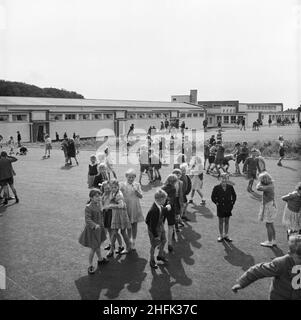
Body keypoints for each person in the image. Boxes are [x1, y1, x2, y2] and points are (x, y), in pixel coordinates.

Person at [232, 234, 301, 300]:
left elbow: (258, 270)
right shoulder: (282, 263)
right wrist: (242, 283)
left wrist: (242, 283)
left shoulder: (282, 262)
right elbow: (258, 270)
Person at [78, 189, 108, 274]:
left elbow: (101, 216)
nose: (99, 198)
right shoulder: (88, 207)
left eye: (99, 196)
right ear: (91, 198)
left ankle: (100, 259)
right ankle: (90, 265)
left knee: (98, 245)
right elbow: (88, 220)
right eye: (96, 196)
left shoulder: (98, 204)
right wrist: (95, 225)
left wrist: (102, 226)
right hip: (92, 231)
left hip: (99, 229)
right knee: (94, 248)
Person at [146, 189, 171, 269]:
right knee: (154, 244)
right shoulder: (154, 210)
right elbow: (151, 225)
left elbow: (162, 209)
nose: (166, 201)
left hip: (160, 226)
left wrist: (166, 208)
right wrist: (156, 235)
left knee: (164, 240)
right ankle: (151, 260)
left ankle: (160, 256)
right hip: (154, 230)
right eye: (165, 199)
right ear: (160, 200)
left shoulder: (159, 205)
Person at [120, 169, 144, 251]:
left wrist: (137, 191)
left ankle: (133, 241)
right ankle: (129, 241)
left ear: (134, 178)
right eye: (129, 177)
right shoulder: (122, 185)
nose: (131, 179)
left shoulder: (137, 184)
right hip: (126, 207)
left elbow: (141, 196)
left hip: (135, 207)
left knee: (134, 224)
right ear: (126, 177)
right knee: (128, 225)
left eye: (132, 177)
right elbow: (118, 194)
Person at [107, 179, 131, 255]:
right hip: (115, 215)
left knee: (123, 232)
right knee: (114, 233)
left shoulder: (119, 194)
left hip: (121, 215)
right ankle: (111, 250)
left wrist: (111, 206)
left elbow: (121, 205)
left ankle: (128, 248)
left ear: (118, 187)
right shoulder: (112, 193)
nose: (113, 189)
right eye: (112, 187)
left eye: (115, 187)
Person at [211, 173, 237, 242]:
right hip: (220, 207)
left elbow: (234, 196)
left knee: (227, 221)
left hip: (228, 207)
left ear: (227, 179)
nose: (224, 179)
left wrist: (232, 203)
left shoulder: (230, 187)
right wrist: (216, 203)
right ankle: (221, 235)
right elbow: (213, 197)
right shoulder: (216, 187)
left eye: (225, 178)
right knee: (221, 221)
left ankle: (226, 235)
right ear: (220, 179)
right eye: (222, 178)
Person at [100, 181, 123, 255]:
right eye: (105, 188)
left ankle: (114, 248)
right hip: (106, 214)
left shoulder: (112, 194)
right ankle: (112, 244)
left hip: (112, 214)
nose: (106, 189)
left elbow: (116, 203)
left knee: (114, 232)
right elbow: (103, 204)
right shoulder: (103, 195)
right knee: (110, 231)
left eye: (108, 188)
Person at [256, 172, 277, 247]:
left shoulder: (268, 187)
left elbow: (258, 187)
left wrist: (259, 182)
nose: (260, 181)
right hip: (271, 205)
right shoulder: (270, 184)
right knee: (271, 224)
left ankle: (269, 241)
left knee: (268, 224)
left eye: (261, 179)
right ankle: (273, 240)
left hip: (269, 206)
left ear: (263, 180)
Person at [162, 174, 178, 253]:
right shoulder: (173, 188)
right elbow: (172, 199)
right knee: (171, 226)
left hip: (162, 208)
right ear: (174, 182)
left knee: (161, 224)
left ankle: (161, 241)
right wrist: (169, 203)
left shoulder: (162, 188)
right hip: (170, 209)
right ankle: (169, 244)